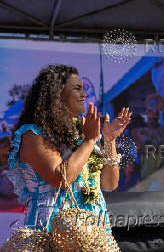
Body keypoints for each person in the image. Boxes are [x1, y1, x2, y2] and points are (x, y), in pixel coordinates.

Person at [7, 65, 131, 230]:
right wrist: (90, 141)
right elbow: (61, 179)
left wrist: (109, 140)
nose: (84, 94)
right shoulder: (33, 135)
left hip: (93, 232)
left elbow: (109, 184)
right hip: (54, 229)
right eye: (77, 88)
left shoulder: (82, 133)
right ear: (58, 94)